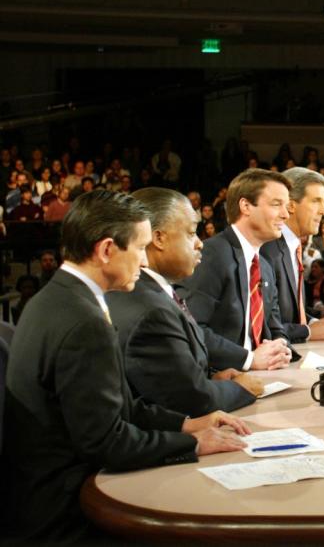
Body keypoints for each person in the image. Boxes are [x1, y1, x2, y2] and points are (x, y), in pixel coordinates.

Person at [1, 190, 249, 543]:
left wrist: (188, 423)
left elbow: (117, 407)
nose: (145, 262)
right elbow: (108, 442)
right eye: (139, 249)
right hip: (64, 513)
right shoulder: (83, 322)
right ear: (106, 250)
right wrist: (191, 444)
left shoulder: (54, 298)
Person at [107, 188, 263, 417]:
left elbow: (169, 380)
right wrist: (238, 389)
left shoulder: (154, 292)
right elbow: (191, 400)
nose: (200, 243)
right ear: (158, 238)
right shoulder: (150, 309)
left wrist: (211, 379)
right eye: (191, 233)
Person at [178, 169, 295, 373]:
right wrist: (249, 359)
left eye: (286, 206)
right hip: (219, 382)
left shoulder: (265, 267)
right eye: (277, 204)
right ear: (246, 206)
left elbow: (275, 328)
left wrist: (280, 348)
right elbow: (192, 329)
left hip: (263, 377)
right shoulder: (212, 255)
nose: (285, 214)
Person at [261, 167, 324, 344]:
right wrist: (307, 331)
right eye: (316, 201)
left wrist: (316, 322)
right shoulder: (267, 250)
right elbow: (260, 326)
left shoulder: (292, 246)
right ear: (291, 205)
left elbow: (289, 313)